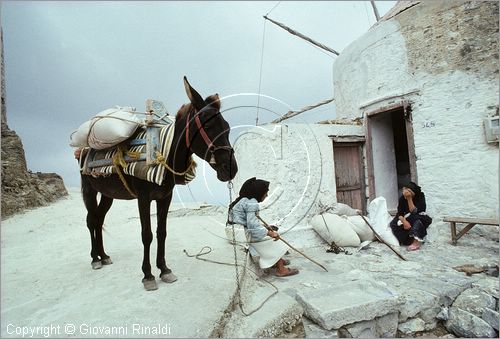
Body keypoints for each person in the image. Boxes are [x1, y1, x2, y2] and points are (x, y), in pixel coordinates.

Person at [228, 177, 299, 277]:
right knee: (272, 240)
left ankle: (277, 261)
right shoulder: (252, 203)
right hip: (240, 234)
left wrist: (265, 227)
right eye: (266, 193)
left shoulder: (245, 200)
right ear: (259, 192)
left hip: (236, 232)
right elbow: (253, 227)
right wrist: (270, 233)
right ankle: (281, 270)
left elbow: (248, 222)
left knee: (269, 233)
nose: (267, 195)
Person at [389, 181, 432, 251]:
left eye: (407, 190)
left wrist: (409, 198)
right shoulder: (402, 198)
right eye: (403, 190)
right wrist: (404, 221)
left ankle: (416, 242)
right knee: (393, 223)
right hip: (407, 217)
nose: (404, 192)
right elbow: (399, 213)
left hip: (419, 215)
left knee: (418, 220)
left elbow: (414, 211)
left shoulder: (420, 197)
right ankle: (406, 240)